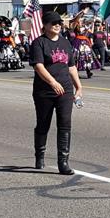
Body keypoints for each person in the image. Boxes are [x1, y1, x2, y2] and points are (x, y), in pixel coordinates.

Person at [30, 11, 82, 175]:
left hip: (65, 90)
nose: (57, 25)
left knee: (65, 124)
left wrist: (79, 86)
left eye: (59, 22)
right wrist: (52, 82)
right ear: (45, 25)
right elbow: (38, 66)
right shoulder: (39, 43)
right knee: (43, 124)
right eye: (53, 23)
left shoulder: (65, 43)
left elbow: (71, 67)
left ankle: (63, 162)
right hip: (44, 91)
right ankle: (40, 156)